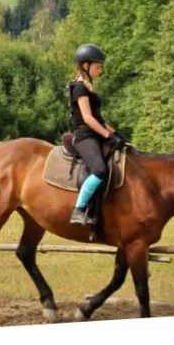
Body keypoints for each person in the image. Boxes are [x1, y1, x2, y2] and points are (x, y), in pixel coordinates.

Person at [67, 43, 119, 225]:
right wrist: (106, 135)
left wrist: (114, 132)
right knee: (100, 170)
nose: (100, 71)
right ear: (86, 66)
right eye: (98, 67)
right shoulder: (79, 87)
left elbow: (99, 118)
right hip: (85, 136)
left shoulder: (89, 87)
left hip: (96, 132)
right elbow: (88, 119)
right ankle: (79, 209)